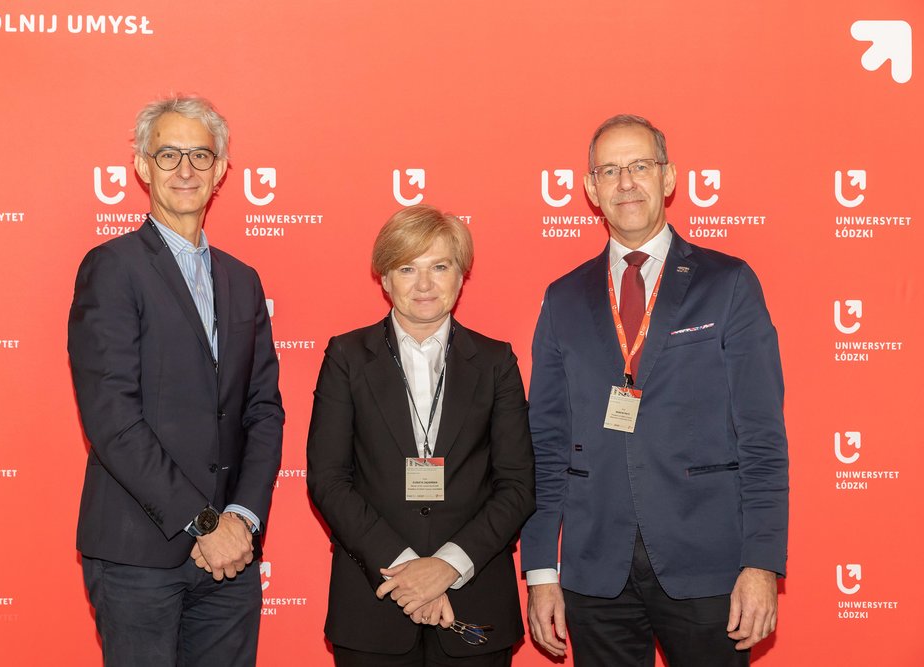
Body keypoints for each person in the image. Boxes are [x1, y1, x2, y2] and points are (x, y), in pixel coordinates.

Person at [520, 114, 788, 666]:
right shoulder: (563, 299)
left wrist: (761, 564)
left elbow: (761, 437)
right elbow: (545, 445)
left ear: (668, 178)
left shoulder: (728, 282)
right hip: (596, 569)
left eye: (640, 166)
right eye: (610, 171)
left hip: (709, 565)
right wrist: (542, 570)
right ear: (591, 189)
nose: (626, 183)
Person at [68, 95, 284, 666]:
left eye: (199, 155)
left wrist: (240, 519)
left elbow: (263, 411)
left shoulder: (243, 279)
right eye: (168, 155)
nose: (185, 169)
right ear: (141, 166)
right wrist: (204, 522)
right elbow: (113, 418)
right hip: (139, 555)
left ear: (220, 171)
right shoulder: (112, 268)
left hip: (229, 559)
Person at [307, 204, 535, 666]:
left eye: (440, 266)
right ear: (385, 279)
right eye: (407, 267)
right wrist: (409, 570)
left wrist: (447, 566)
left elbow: (517, 485)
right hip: (374, 603)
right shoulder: (347, 357)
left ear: (461, 276)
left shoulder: (496, 362)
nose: (424, 284)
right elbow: (329, 480)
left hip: (475, 603)